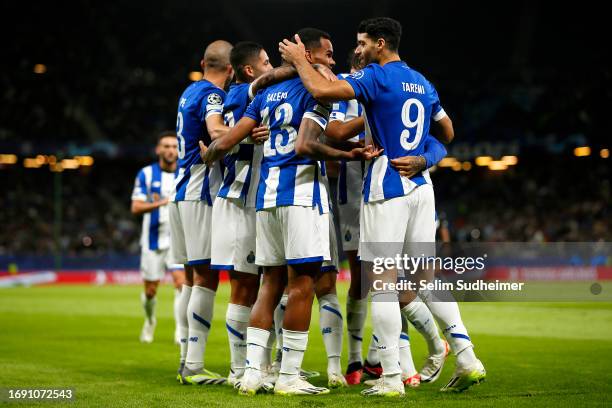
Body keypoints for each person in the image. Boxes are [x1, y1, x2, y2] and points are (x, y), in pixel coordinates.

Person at [280, 16, 484, 396]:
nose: (356, 50)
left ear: (379, 43)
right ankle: (467, 355)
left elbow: (323, 92)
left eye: (361, 43)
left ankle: (391, 378)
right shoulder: (422, 81)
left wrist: (299, 60)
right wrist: (426, 159)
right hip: (422, 188)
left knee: (383, 284)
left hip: (385, 186)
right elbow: (449, 133)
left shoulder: (375, 76)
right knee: (426, 280)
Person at [201, 30, 378, 396]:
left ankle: (251, 373)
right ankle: (288, 376)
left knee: (269, 285)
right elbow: (307, 143)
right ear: (310, 56)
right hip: (301, 197)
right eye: (327, 55)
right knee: (302, 286)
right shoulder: (316, 92)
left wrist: (209, 152)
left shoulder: (266, 93)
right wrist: (348, 155)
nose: (332, 61)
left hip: (265, 200)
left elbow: (228, 140)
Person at [171, 40, 234, 385]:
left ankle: (186, 359)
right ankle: (193, 365)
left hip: (181, 192)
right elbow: (215, 132)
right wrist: (246, 134)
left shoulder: (188, 92)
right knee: (206, 278)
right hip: (201, 192)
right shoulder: (213, 96)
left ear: (202, 62)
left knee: (193, 279)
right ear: (231, 70)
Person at [210, 41, 273, 387]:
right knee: (244, 286)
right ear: (250, 70)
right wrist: (250, 136)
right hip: (241, 201)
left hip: (258, 201)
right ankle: (239, 369)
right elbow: (224, 137)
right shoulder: (240, 96)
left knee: (267, 283)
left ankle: (261, 367)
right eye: (266, 62)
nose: (271, 66)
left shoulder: (252, 97)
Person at [131, 131, 185, 344]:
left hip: (177, 239)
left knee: (181, 284)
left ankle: (180, 330)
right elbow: (135, 206)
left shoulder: (185, 172)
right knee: (151, 291)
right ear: (158, 149)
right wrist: (162, 202)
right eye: (166, 146)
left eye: (174, 146)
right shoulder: (146, 174)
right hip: (152, 241)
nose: (170, 150)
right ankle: (150, 320)